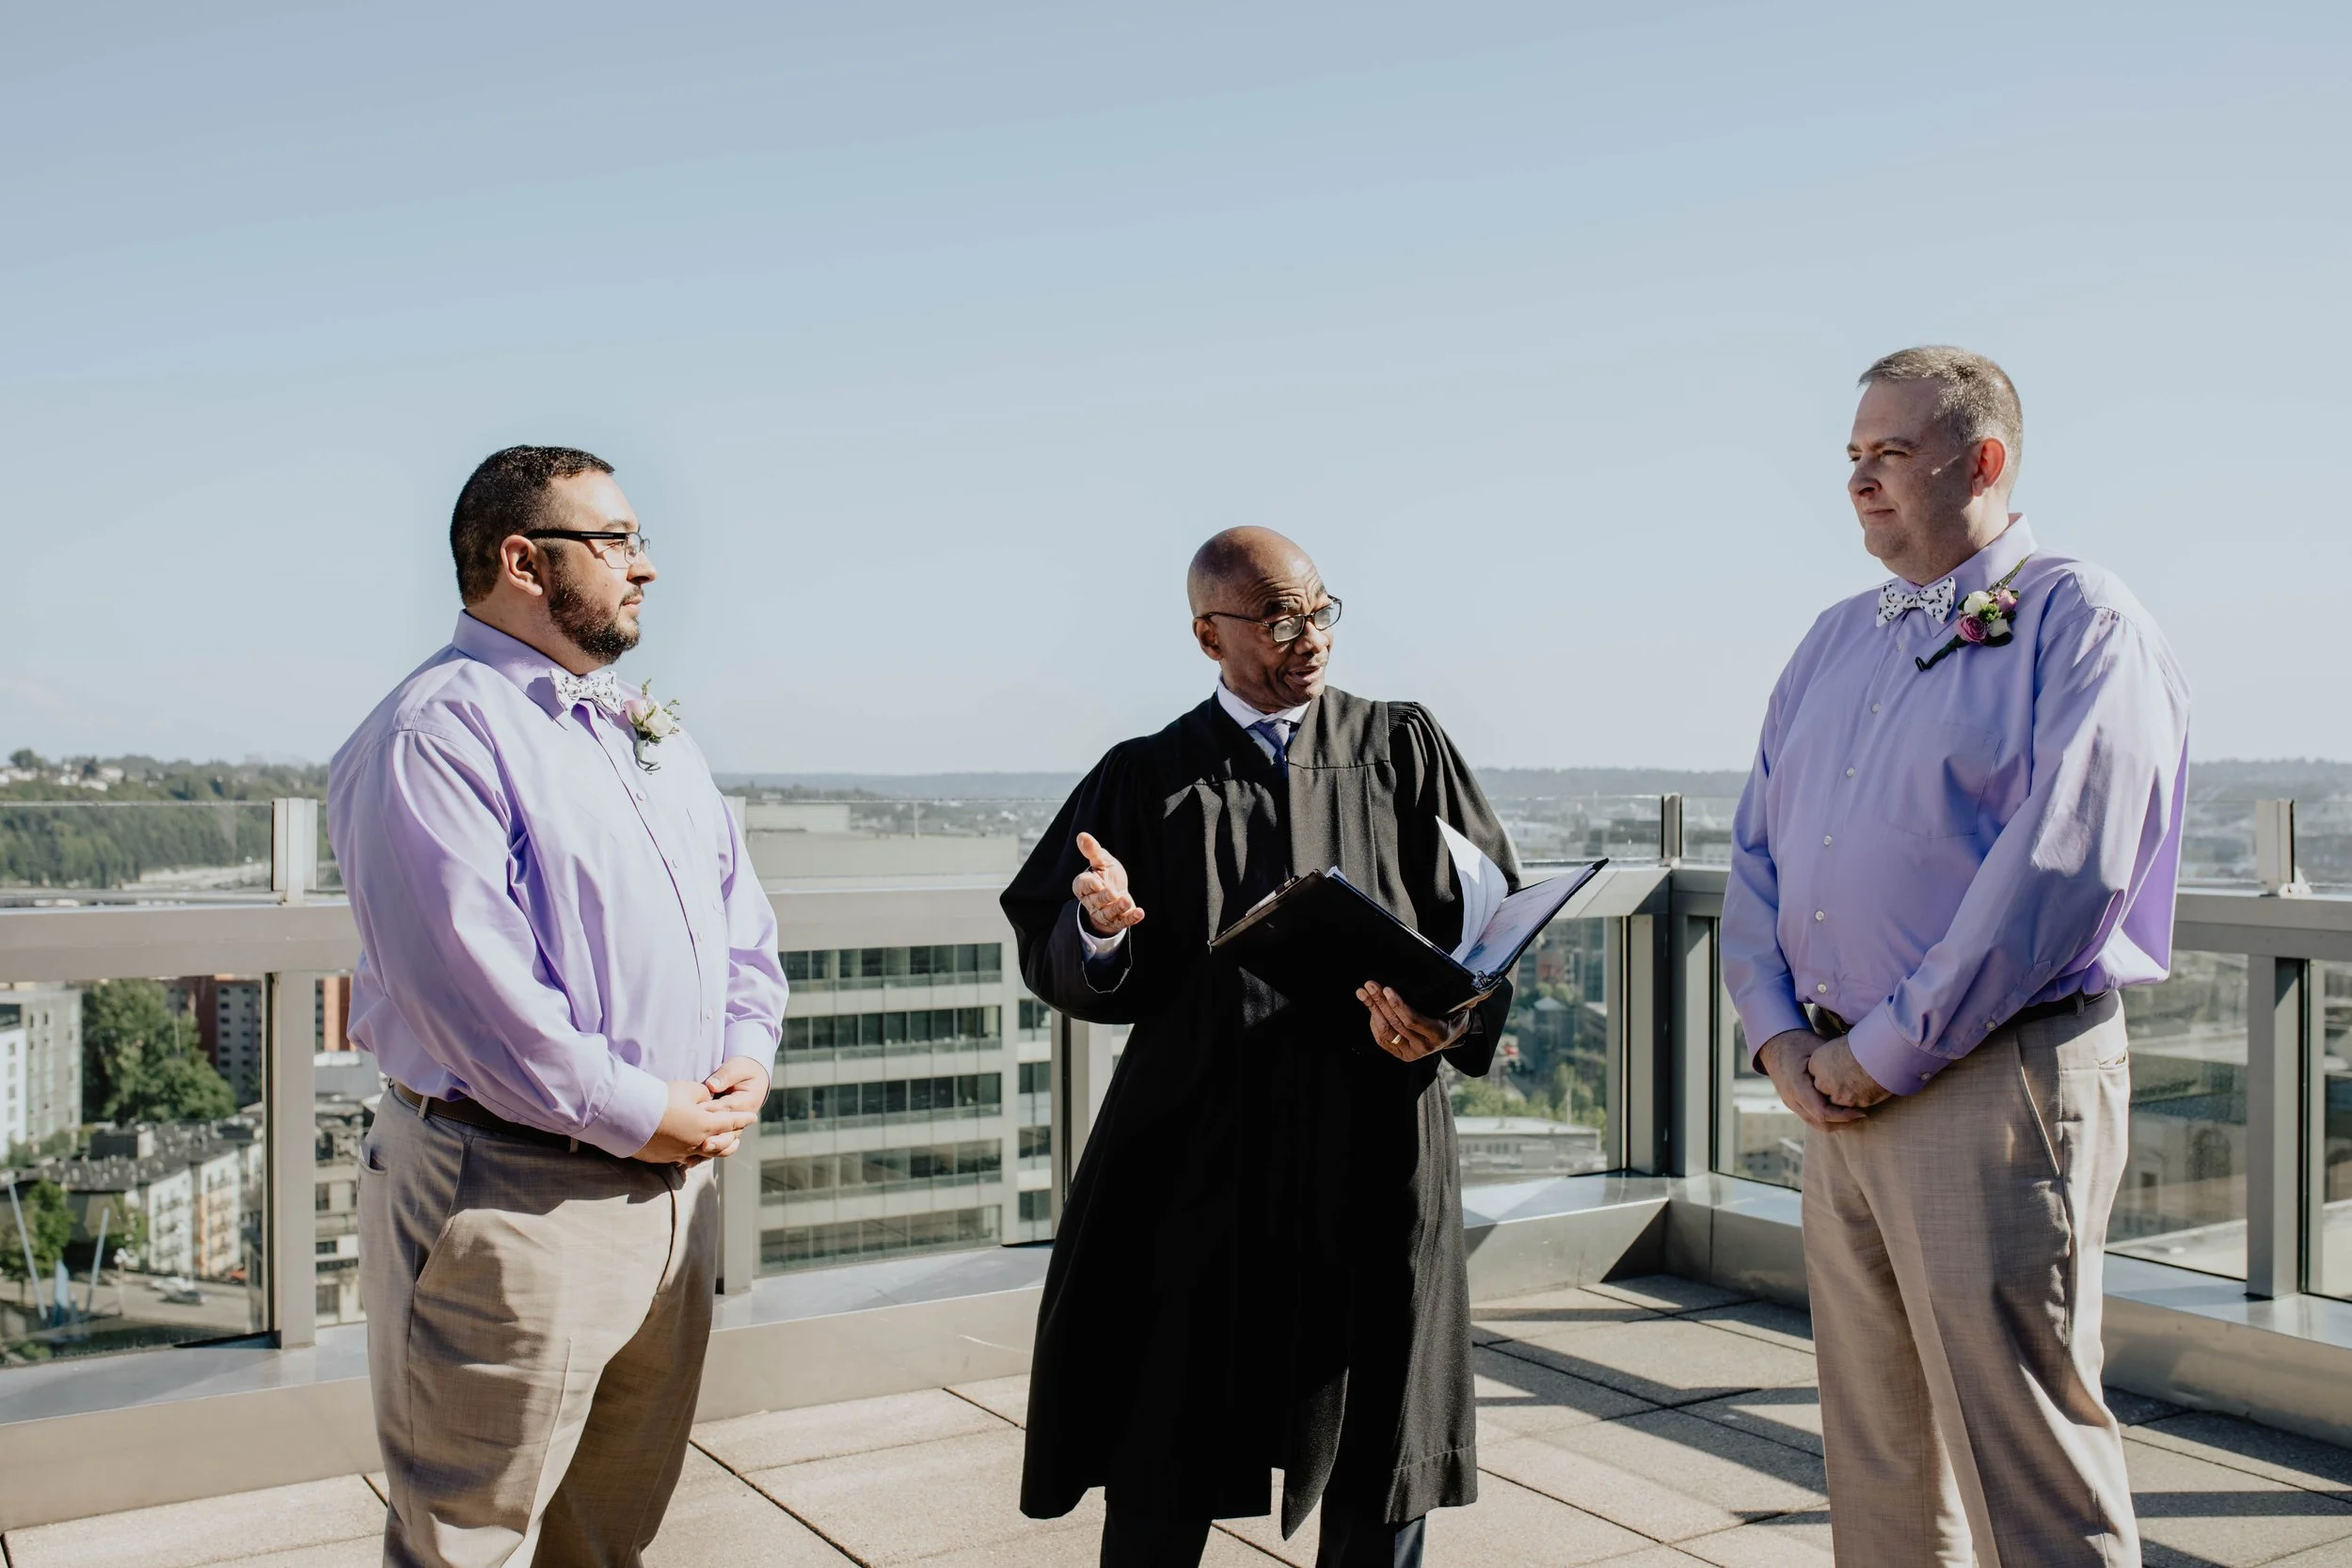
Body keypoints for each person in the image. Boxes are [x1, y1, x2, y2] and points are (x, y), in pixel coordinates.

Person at [1722, 348, 2190, 1567]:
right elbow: (1759, 854)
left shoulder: (2082, 621)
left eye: (1890, 454)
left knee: (2024, 1446)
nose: (1862, 481)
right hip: (1833, 1089)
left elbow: (2058, 874)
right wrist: (1781, 1035)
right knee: (1876, 1449)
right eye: (1852, 458)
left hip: (1993, 1081)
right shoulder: (1834, 640)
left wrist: (1884, 1050)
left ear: (1981, 461)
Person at [1003, 528, 1518, 1568]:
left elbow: (1487, 916)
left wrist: (1446, 1015)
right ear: (1209, 635)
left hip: (1378, 1133)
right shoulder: (1144, 778)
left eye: (1321, 611)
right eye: (1279, 620)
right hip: (1201, 1146)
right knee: (1167, 1425)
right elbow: (1058, 947)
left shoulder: (1400, 745)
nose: (1309, 638)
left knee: (1382, 1429)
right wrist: (1099, 925)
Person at [328, 446, 787, 1567]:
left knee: (604, 1534)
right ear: (522, 559)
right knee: (469, 1541)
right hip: (511, 1196)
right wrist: (645, 1109)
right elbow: (472, 999)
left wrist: (744, 1054)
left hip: (676, 1189)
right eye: (617, 540)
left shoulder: (642, 729)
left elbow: (741, 924)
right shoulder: (433, 733)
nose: (646, 568)